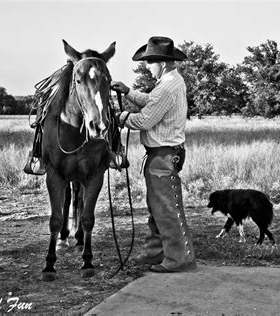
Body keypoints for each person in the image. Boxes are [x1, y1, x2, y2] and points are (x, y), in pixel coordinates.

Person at [111, 36, 197, 273]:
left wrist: (118, 118)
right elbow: (152, 101)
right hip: (164, 154)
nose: (148, 66)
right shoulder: (171, 82)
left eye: (150, 62)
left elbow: (145, 119)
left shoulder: (168, 86)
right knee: (157, 205)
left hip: (163, 155)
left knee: (166, 208)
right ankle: (155, 252)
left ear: (163, 63)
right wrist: (129, 92)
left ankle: (179, 260)